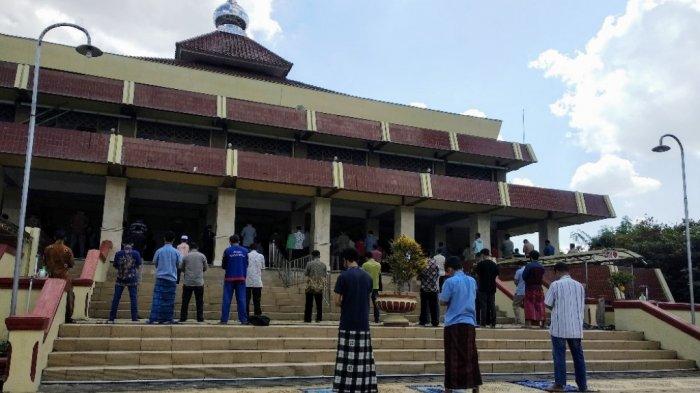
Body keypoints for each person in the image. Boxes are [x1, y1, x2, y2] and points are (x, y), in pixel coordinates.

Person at [332, 248, 378, 392]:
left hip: (347, 322)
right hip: (363, 323)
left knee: (346, 358)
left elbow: (337, 301)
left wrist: (346, 301)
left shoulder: (343, 276)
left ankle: (345, 387)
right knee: (363, 359)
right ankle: (363, 387)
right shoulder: (368, 277)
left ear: (346, 259)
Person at [439, 256, 482, 392]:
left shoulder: (450, 281)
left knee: (453, 356)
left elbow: (443, 301)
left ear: (450, 269)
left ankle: (454, 387)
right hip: (469, 322)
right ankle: (475, 385)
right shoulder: (472, 280)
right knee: (471, 355)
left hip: (454, 323)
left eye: (447, 271)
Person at [545, 262, 587, 392]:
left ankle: (559, 384)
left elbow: (547, 303)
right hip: (576, 327)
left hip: (559, 326)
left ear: (556, 271)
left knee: (559, 356)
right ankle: (582, 385)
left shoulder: (555, 285)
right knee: (578, 356)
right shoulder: (579, 286)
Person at [148, 231, 181, 324]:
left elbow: (155, 263)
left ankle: (153, 318)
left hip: (160, 278)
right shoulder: (176, 252)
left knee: (157, 299)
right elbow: (179, 265)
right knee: (169, 300)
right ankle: (167, 318)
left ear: (164, 238)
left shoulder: (159, 251)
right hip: (172, 279)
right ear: (173, 240)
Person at [43, 230, 75, 323]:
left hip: (52, 277)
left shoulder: (48, 249)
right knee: (69, 298)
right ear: (64, 238)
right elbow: (72, 264)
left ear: (54, 237)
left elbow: (44, 263)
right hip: (64, 277)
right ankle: (67, 318)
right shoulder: (67, 250)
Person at [108, 243, 142, 323]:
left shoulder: (118, 253)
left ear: (123, 245)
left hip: (120, 278)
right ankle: (134, 317)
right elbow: (138, 264)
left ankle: (112, 317)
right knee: (133, 298)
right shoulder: (136, 253)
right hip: (132, 278)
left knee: (116, 298)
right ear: (132, 245)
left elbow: (115, 265)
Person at [221, 235, 249, 324]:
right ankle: (243, 319)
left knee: (226, 299)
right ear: (239, 241)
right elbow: (247, 264)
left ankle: (224, 320)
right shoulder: (245, 251)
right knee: (241, 299)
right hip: (241, 277)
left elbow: (224, 265)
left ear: (230, 241)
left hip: (229, 278)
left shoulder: (227, 250)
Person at [179, 242, 207, 323]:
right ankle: (200, 318)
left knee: (185, 301)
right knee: (199, 301)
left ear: (189, 248)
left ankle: (183, 317)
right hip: (199, 282)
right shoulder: (202, 256)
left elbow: (181, 267)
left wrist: (187, 272)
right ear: (197, 248)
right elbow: (205, 268)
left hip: (188, 282)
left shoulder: (186, 256)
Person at [474, 249, 499, 328]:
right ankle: (493, 323)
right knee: (492, 305)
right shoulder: (494, 264)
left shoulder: (480, 264)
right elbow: (497, 274)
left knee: (483, 305)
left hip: (482, 287)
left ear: (483, 255)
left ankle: (483, 323)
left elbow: (477, 275)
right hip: (492, 287)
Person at [522, 250, 546, 328]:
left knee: (529, 304)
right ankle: (543, 323)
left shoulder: (529, 266)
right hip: (539, 288)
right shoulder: (541, 266)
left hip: (530, 287)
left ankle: (528, 324)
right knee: (540, 304)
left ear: (531, 257)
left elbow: (524, 276)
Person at [304, 250, 327, 323]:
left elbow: (306, 273)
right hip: (319, 285)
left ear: (312, 256)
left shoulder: (309, 264)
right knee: (319, 303)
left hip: (310, 285)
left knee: (309, 303)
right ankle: (319, 318)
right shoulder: (323, 265)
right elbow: (324, 275)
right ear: (319, 256)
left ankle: (308, 319)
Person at [418, 255, 440, 327]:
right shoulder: (436, 264)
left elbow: (419, 276)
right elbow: (437, 275)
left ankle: (423, 320)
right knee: (434, 306)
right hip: (433, 288)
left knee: (424, 305)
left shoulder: (422, 264)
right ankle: (435, 321)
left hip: (424, 288)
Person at [362, 251, 382, 324]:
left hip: (366, 287)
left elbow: (362, 276)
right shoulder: (378, 265)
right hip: (375, 286)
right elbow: (379, 275)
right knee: (376, 304)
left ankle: (365, 318)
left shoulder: (365, 265)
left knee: (366, 303)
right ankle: (377, 319)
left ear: (366, 257)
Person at [246, 243, 265, 317]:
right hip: (257, 281)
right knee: (257, 300)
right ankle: (257, 315)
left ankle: (245, 316)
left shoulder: (247, 255)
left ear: (250, 249)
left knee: (246, 300)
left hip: (247, 281)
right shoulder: (261, 256)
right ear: (257, 248)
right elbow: (262, 267)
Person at [512, 261, 526, 325]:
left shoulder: (519, 271)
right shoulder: (528, 270)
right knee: (527, 306)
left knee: (515, 305)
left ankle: (518, 320)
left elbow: (515, 281)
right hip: (528, 291)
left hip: (520, 291)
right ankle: (527, 321)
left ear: (519, 265)